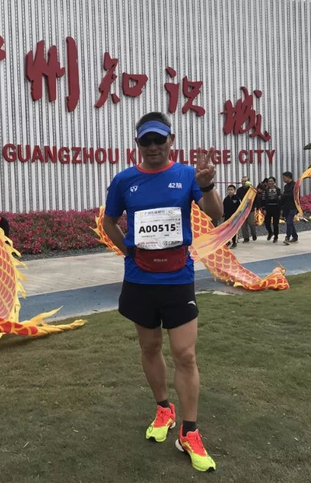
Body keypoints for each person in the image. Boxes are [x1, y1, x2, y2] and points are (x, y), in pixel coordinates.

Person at [102, 112, 222, 473]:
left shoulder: (187, 175)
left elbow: (215, 213)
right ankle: (164, 408)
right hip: (140, 280)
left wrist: (208, 186)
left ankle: (189, 430)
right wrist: (128, 252)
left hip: (177, 278)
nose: (153, 147)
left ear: (171, 140)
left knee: (185, 354)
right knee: (150, 348)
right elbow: (109, 220)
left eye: (159, 140)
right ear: (137, 144)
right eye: (146, 141)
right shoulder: (124, 180)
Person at [236, 175, 257, 242]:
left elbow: (256, 198)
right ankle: (246, 237)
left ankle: (253, 234)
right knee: (243, 224)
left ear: (248, 182)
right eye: (242, 181)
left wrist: (256, 207)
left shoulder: (252, 190)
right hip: (242, 209)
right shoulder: (239, 190)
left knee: (251, 223)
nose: (244, 182)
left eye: (245, 181)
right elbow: (238, 199)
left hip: (250, 209)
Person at [262, 177, 281, 242]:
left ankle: (276, 236)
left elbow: (280, 199)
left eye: (271, 181)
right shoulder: (266, 190)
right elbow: (263, 200)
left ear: (274, 182)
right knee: (267, 223)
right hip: (268, 208)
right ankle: (270, 232)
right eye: (269, 181)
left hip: (276, 208)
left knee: (275, 224)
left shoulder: (278, 190)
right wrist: (264, 209)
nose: (270, 182)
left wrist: (281, 208)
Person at [281, 171, 298, 244]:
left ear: (288, 177)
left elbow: (293, 196)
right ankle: (295, 236)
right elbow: (284, 197)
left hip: (293, 206)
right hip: (286, 207)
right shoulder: (286, 186)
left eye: (284, 178)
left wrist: (283, 196)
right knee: (289, 222)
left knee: (289, 222)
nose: (283, 179)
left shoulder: (295, 185)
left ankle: (287, 237)